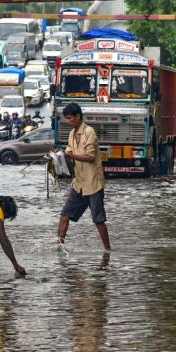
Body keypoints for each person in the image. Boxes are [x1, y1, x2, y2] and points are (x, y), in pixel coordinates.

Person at [57, 102, 111, 250]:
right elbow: (68, 155)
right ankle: (59, 247)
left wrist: (69, 155)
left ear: (78, 116)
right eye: (66, 119)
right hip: (79, 183)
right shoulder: (71, 134)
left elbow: (90, 157)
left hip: (93, 183)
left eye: (70, 118)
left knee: (98, 220)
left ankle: (107, 250)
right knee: (65, 214)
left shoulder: (89, 132)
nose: (68, 122)